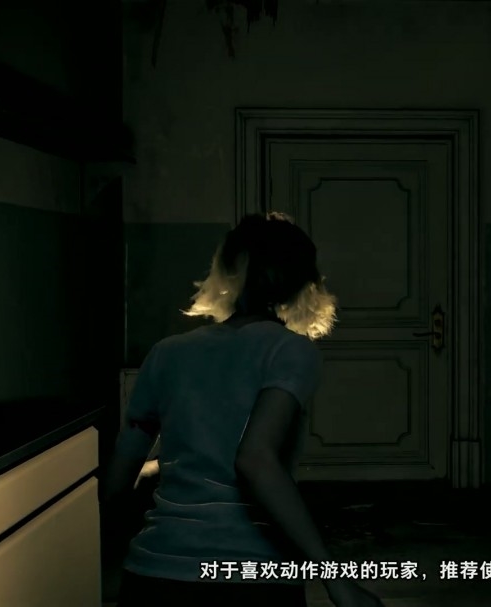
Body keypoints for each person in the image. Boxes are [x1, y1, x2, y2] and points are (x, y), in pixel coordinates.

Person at [103, 212, 383, 607]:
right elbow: (255, 458)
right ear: (304, 281)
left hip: (153, 572)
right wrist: (336, 581)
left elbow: (118, 481)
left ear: (226, 271)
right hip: (251, 577)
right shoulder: (289, 350)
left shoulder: (167, 352)